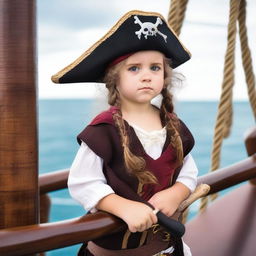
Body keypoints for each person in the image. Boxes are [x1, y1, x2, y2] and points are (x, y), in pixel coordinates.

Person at [52, 10, 198, 256]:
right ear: (114, 79)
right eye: (134, 69)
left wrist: (178, 192)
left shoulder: (173, 126)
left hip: (167, 247)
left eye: (155, 68)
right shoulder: (104, 130)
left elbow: (188, 170)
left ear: (165, 75)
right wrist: (121, 207)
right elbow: (83, 182)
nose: (146, 76)